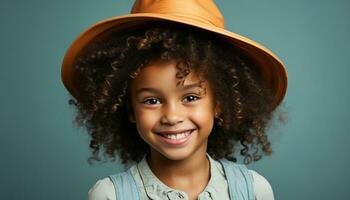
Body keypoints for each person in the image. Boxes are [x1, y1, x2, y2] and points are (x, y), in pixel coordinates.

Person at [61, 0, 288, 200]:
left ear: (219, 103)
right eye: (151, 101)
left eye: (190, 97)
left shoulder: (254, 190)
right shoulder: (109, 195)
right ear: (130, 109)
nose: (172, 116)